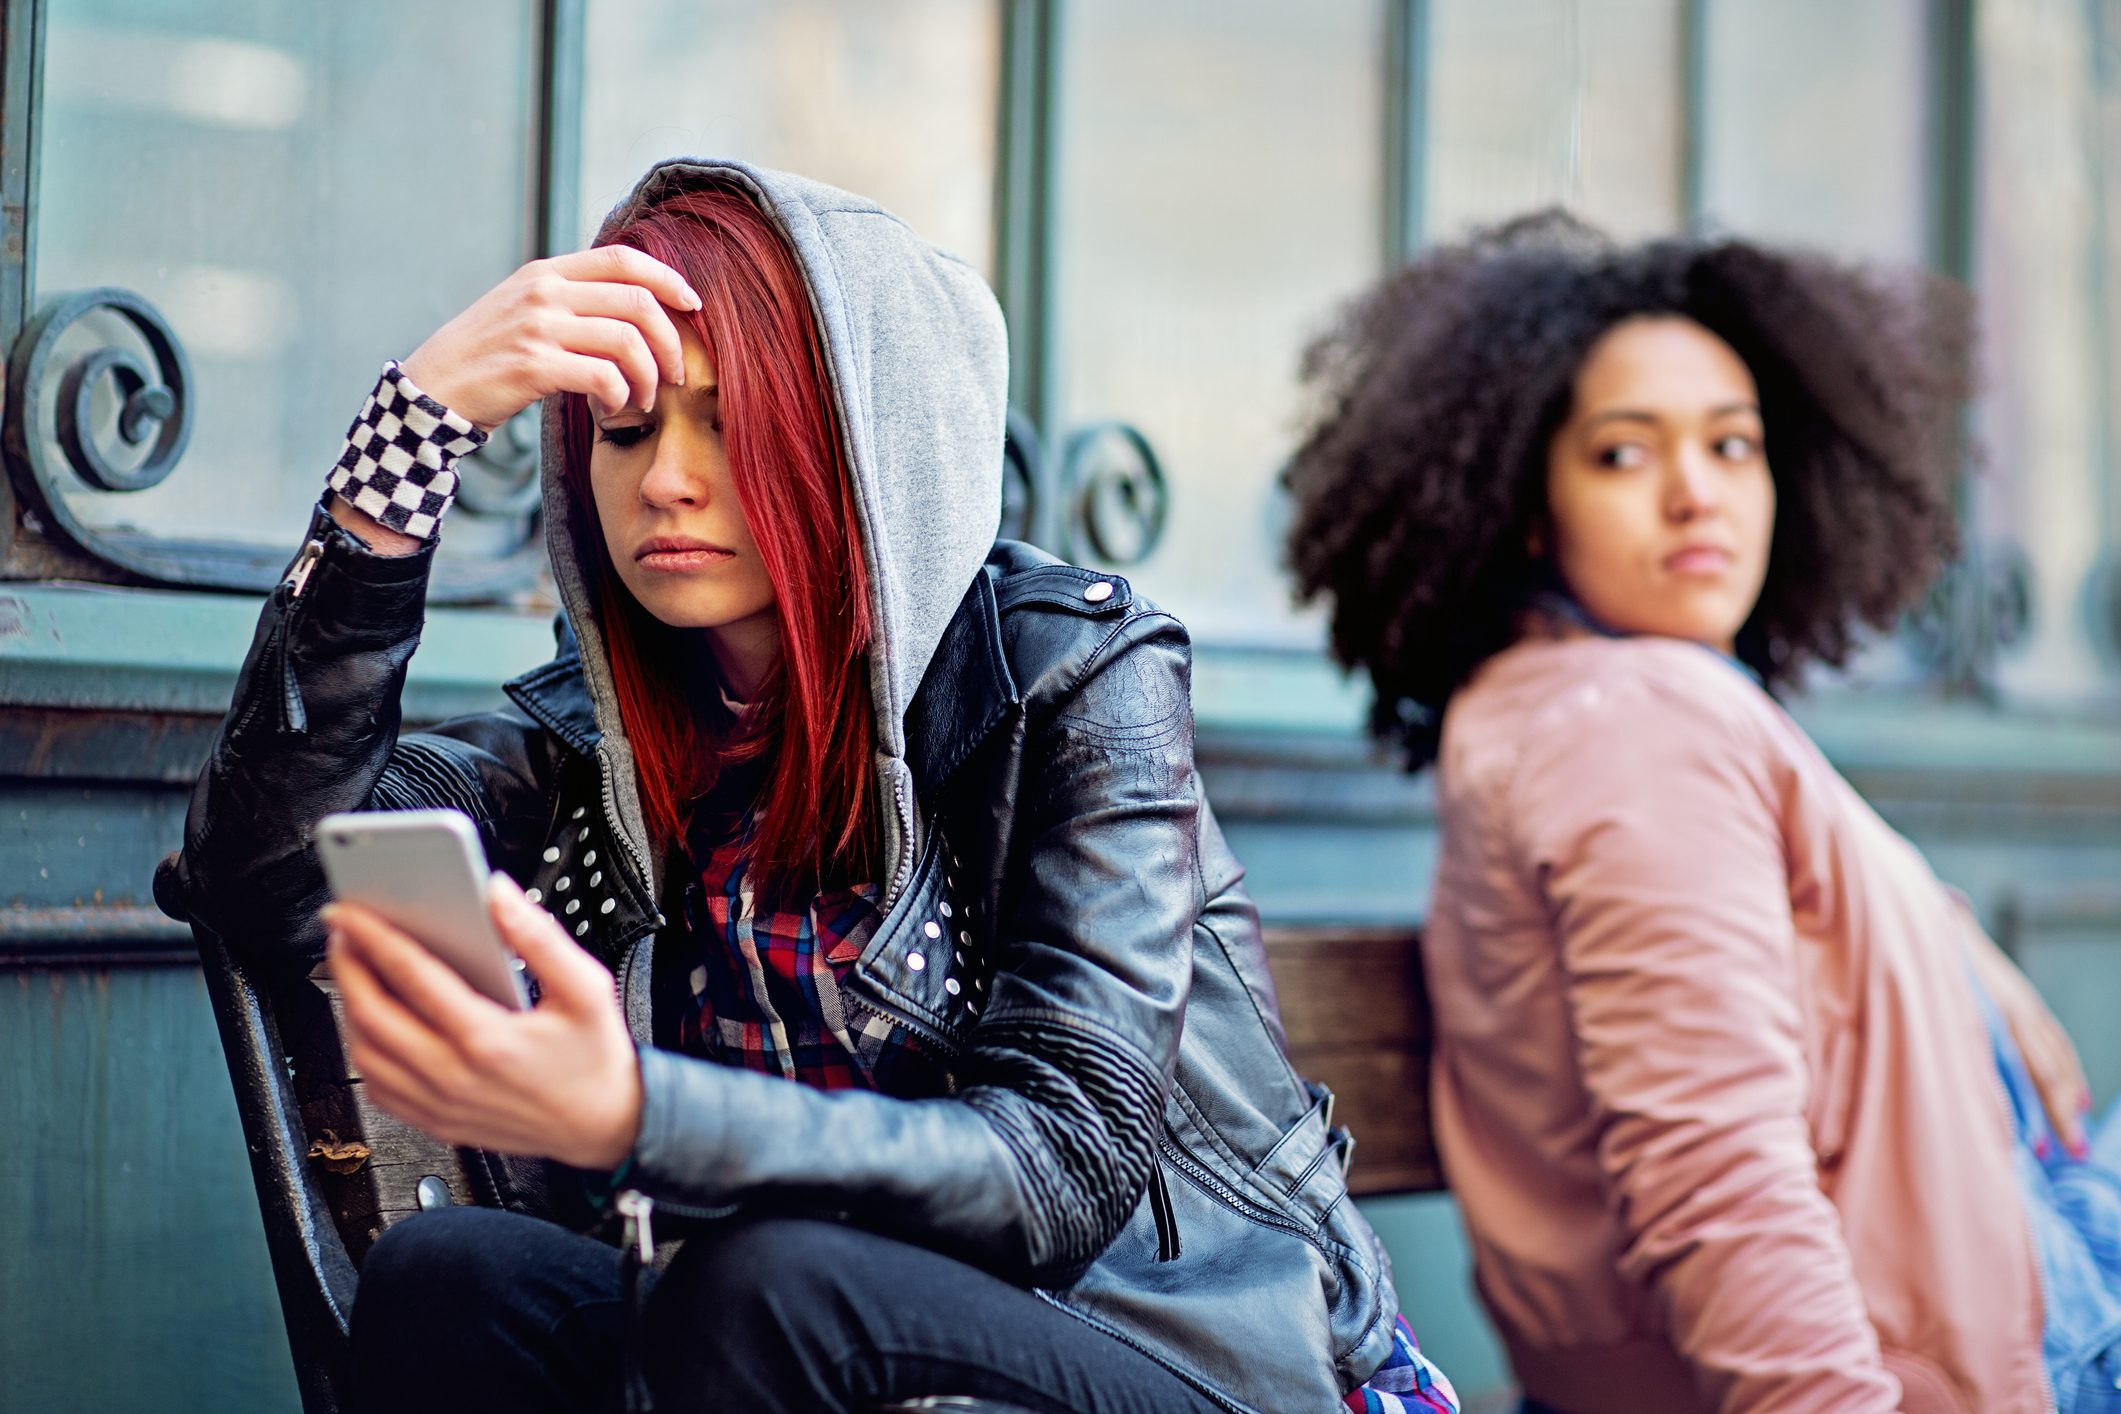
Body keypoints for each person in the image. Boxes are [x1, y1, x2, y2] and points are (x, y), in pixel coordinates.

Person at [156, 159, 1460, 1414]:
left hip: (1170, 1346)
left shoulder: (1064, 679)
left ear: (867, 446)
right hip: (790, 1334)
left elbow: (1066, 1165)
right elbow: (263, 879)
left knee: (764, 1283)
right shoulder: (588, 745)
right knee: (454, 1276)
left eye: (728, 423)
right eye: (623, 427)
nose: (665, 475)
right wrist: (412, 433)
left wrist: (640, 1111)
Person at [1282, 212, 2121, 1413]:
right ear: (1529, 507)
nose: (1696, 495)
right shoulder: (1636, 724)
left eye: (1735, 446)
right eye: (1625, 455)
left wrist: (1943, 934)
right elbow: (1719, 1181)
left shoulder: (1587, 703)